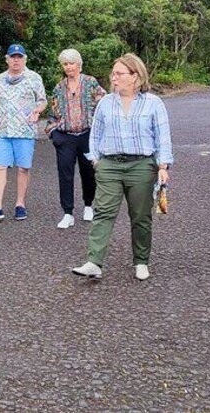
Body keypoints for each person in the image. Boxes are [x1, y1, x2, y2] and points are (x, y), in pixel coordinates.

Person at [71, 53, 173, 281]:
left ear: (135, 76)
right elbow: (95, 134)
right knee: (103, 212)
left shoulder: (154, 103)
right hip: (109, 165)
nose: (114, 78)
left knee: (140, 216)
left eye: (119, 74)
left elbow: (162, 137)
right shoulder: (106, 102)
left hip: (142, 166)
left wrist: (163, 166)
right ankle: (94, 262)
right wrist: (96, 161)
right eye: (113, 73)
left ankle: (141, 261)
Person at [0, 44, 47, 222]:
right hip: (2, 130)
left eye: (19, 57)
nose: (16, 60)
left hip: (24, 129)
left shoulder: (34, 78)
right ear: (7, 59)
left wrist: (37, 111)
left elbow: (42, 101)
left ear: (24, 59)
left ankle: (20, 204)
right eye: (13, 57)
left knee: (23, 168)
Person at [45, 49, 106, 229]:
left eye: (72, 63)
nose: (69, 67)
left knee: (88, 172)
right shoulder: (58, 87)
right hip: (66, 137)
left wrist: (99, 128)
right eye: (65, 64)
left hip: (87, 135)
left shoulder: (90, 83)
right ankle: (67, 213)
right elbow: (52, 114)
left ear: (79, 65)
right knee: (65, 174)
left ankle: (88, 205)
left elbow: (104, 104)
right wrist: (55, 134)